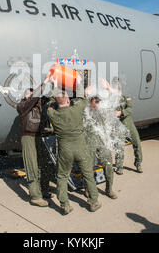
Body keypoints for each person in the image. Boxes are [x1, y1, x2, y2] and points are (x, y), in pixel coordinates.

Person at [47, 76, 101, 215]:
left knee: (62, 176)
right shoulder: (77, 110)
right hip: (80, 147)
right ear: (68, 100)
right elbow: (82, 99)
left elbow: (50, 103)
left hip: (65, 150)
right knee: (88, 174)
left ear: (58, 103)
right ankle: (93, 202)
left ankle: (65, 205)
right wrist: (77, 82)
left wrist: (54, 86)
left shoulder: (53, 114)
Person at [16, 72, 53, 207]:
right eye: (30, 94)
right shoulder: (22, 106)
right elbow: (34, 98)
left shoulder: (37, 106)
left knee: (44, 164)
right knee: (32, 167)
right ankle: (35, 196)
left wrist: (54, 83)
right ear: (26, 96)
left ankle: (44, 190)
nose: (34, 97)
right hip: (28, 138)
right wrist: (44, 82)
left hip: (38, 137)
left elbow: (48, 97)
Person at [103, 78, 143, 175]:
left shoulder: (126, 97)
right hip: (119, 126)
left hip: (129, 124)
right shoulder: (111, 98)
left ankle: (138, 163)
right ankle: (119, 167)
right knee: (119, 146)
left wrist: (121, 112)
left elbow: (129, 109)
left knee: (137, 143)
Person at [84, 96, 117, 199]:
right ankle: (88, 188)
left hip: (103, 142)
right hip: (89, 142)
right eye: (95, 103)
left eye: (98, 103)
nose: (96, 105)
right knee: (88, 167)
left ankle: (109, 189)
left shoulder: (103, 111)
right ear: (90, 103)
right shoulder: (86, 112)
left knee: (108, 165)